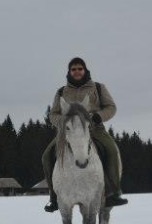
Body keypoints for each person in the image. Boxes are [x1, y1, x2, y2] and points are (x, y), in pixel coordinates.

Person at [42, 57, 129, 212]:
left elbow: (111, 107)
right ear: (69, 72)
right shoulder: (61, 92)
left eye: (79, 69)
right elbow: (53, 114)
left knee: (111, 150)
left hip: (95, 130)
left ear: (85, 70)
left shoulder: (98, 88)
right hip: (68, 133)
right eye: (73, 69)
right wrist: (62, 122)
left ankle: (113, 193)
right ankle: (54, 198)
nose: (77, 71)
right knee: (47, 155)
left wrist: (99, 116)